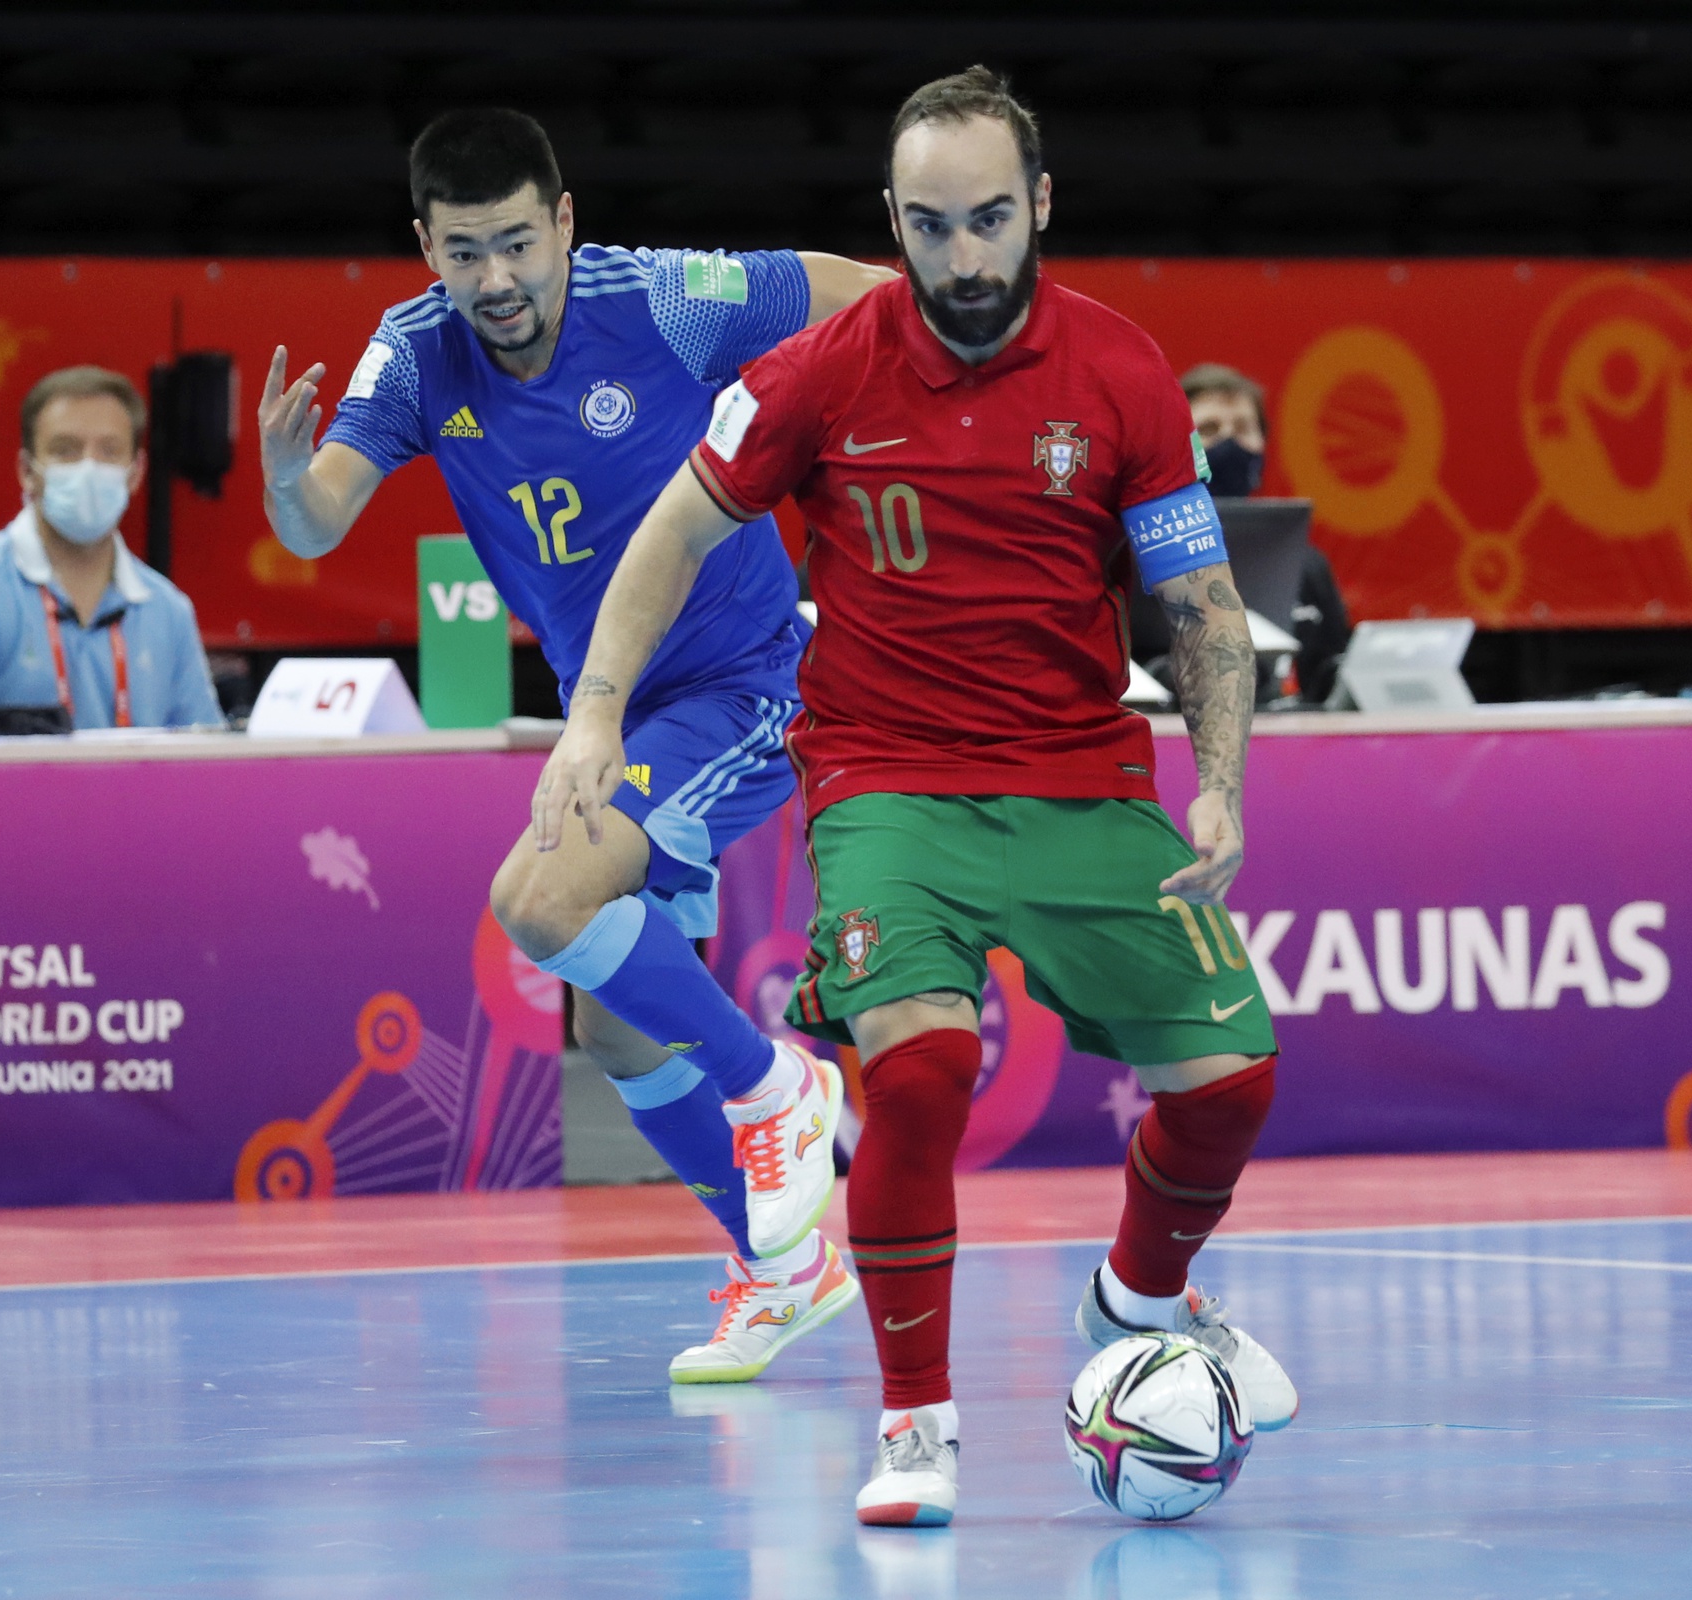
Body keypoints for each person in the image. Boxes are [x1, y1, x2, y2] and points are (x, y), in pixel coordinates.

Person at [533, 67, 1299, 1528]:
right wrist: (595, 715)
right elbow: (674, 532)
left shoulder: (1125, 372)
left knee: (1234, 1080)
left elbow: (1199, 599)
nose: (963, 258)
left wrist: (1219, 787)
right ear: (892, 220)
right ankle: (917, 1425)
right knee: (924, 1072)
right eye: (932, 226)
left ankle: (1138, 1294)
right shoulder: (823, 369)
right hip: (888, 783)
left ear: (1041, 208)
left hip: (1082, 780)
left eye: (991, 221)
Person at [260, 109, 899, 1383]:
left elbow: (856, 291)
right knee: (612, 1034)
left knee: (540, 900)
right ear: (424, 247)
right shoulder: (417, 350)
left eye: (515, 243)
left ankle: (774, 1085)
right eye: (461, 252)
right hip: (607, 711)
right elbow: (319, 518)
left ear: (562, 221)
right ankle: (781, 1271)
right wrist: (283, 477)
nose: (494, 281)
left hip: (746, 683)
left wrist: (960, 352)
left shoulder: (659, 297)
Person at [0, 366, 222, 729]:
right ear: (27, 471)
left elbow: (203, 755)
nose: (89, 467)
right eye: (66, 450)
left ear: (135, 474)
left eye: (109, 450)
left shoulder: (168, 611)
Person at [1181, 360, 1352, 703]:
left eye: (1244, 427)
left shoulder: (1307, 566)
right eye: (1210, 429)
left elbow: (1334, 677)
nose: (1229, 442)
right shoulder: (1142, 558)